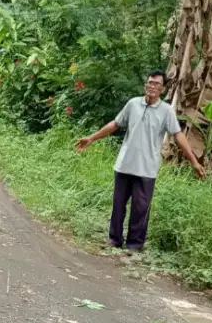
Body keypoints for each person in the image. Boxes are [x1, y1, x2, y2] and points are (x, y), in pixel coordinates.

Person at [75, 70, 205, 253]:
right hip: (124, 165)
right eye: (150, 82)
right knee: (118, 205)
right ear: (146, 85)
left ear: (162, 89)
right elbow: (115, 124)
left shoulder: (166, 111)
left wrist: (194, 161)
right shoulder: (133, 104)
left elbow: (178, 135)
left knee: (141, 209)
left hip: (146, 169)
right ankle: (114, 240)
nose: (152, 86)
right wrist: (91, 138)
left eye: (156, 84)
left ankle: (134, 246)